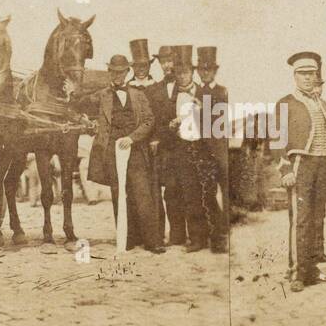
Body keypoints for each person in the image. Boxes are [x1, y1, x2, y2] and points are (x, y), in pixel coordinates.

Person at [277, 51, 326, 291]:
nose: (308, 78)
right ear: (294, 76)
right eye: (303, 74)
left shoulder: (322, 104)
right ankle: (297, 272)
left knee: (317, 218)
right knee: (301, 219)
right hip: (301, 166)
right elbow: (277, 139)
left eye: (311, 74)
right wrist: (285, 168)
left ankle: (312, 269)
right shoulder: (285, 103)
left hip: (323, 164)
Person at [88, 54, 164, 253]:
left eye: (121, 72)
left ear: (127, 72)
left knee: (142, 194)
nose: (118, 75)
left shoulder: (138, 95)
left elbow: (149, 120)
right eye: (114, 71)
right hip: (111, 151)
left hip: (135, 149)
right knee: (118, 194)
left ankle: (152, 241)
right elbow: (80, 105)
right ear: (109, 72)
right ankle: (127, 238)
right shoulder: (101, 95)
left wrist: (132, 138)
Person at [191, 46, 230, 253]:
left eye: (209, 70)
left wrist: (199, 108)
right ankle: (207, 236)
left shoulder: (221, 91)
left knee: (221, 193)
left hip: (217, 148)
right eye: (202, 70)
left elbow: (218, 118)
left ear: (215, 71)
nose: (205, 73)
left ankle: (221, 236)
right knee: (204, 194)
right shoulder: (196, 90)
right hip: (200, 149)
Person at [158, 45, 197, 247]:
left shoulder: (192, 88)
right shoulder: (156, 88)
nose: (167, 65)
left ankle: (197, 236)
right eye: (162, 61)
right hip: (168, 148)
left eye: (170, 60)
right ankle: (176, 235)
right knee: (171, 191)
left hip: (190, 148)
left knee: (191, 191)